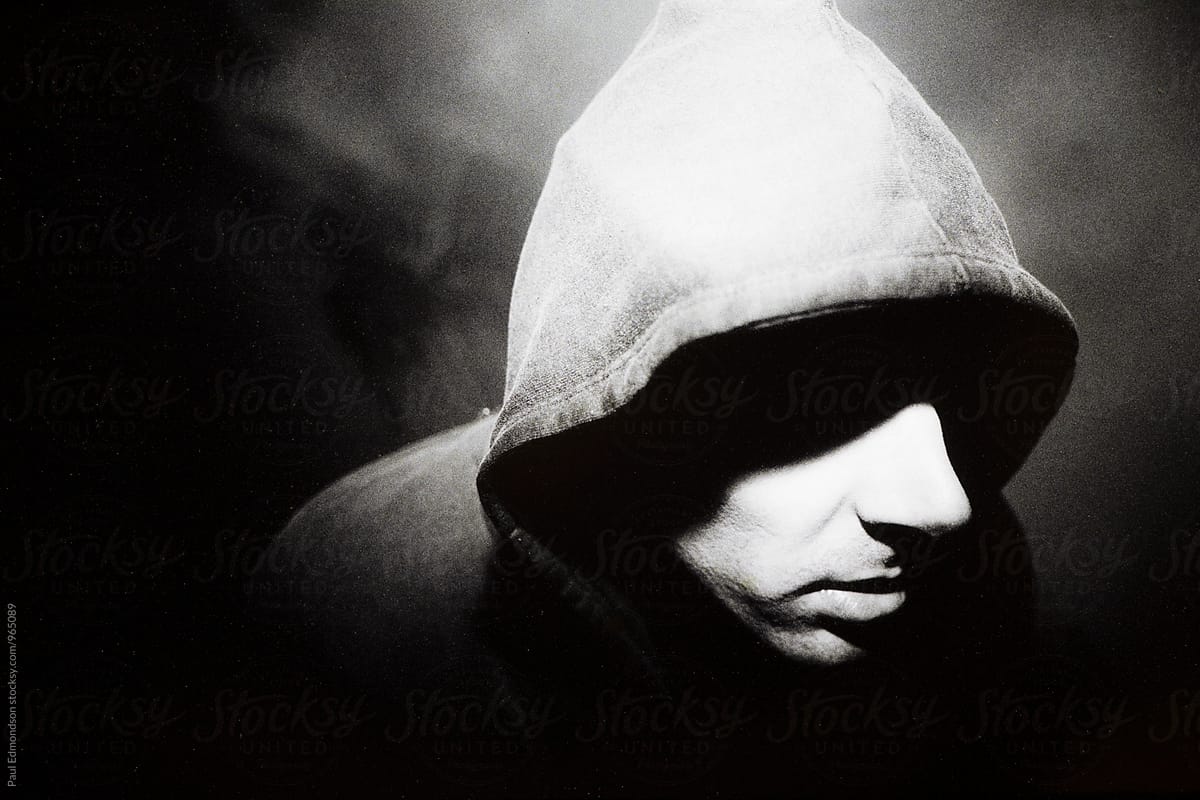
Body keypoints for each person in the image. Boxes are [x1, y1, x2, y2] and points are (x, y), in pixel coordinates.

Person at [262, 0, 1077, 794]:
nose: (944, 505)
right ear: (624, 412)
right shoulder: (356, 598)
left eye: (954, 400)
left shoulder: (976, 590)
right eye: (833, 400)